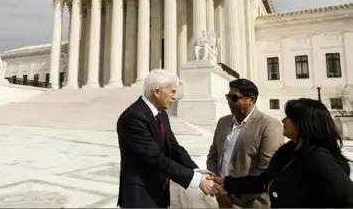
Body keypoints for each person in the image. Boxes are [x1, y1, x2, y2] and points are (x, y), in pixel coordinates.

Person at [214, 98, 353, 208]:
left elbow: (347, 200)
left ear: (303, 123)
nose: (283, 120)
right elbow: (264, 181)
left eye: (288, 117)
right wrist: (225, 182)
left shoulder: (320, 159)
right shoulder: (288, 152)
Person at [117, 69, 221, 208]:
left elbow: (173, 147)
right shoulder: (133, 118)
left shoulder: (161, 114)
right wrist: (196, 180)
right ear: (157, 92)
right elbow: (155, 158)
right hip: (141, 195)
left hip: (160, 190)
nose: (174, 97)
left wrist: (194, 170)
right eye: (172, 91)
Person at [207, 79, 284, 208]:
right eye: (228, 97)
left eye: (234, 98)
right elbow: (213, 156)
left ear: (251, 100)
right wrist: (219, 191)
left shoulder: (270, 126)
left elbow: (266, 170)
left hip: (252, 202)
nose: (229, 102)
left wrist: (234, 194)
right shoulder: (223, 122)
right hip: (222, 198)